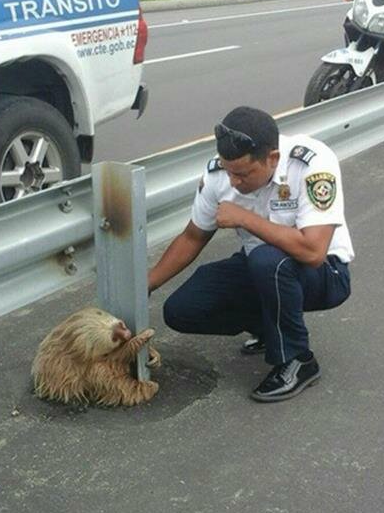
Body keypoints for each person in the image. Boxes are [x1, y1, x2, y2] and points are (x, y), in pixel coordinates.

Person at [147, 106, 353, 402]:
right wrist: (148, 283)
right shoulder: (220, 175)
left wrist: (244, 218)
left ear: (272, 159)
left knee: (267, 260)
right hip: (262, 268)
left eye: (243, 174)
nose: (233, 182)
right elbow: (193, 236)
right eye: (229, 171)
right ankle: (269, 328)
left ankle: (297, 359)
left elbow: (313, 251)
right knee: (181, 309)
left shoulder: (311, 163)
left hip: (325, 274)